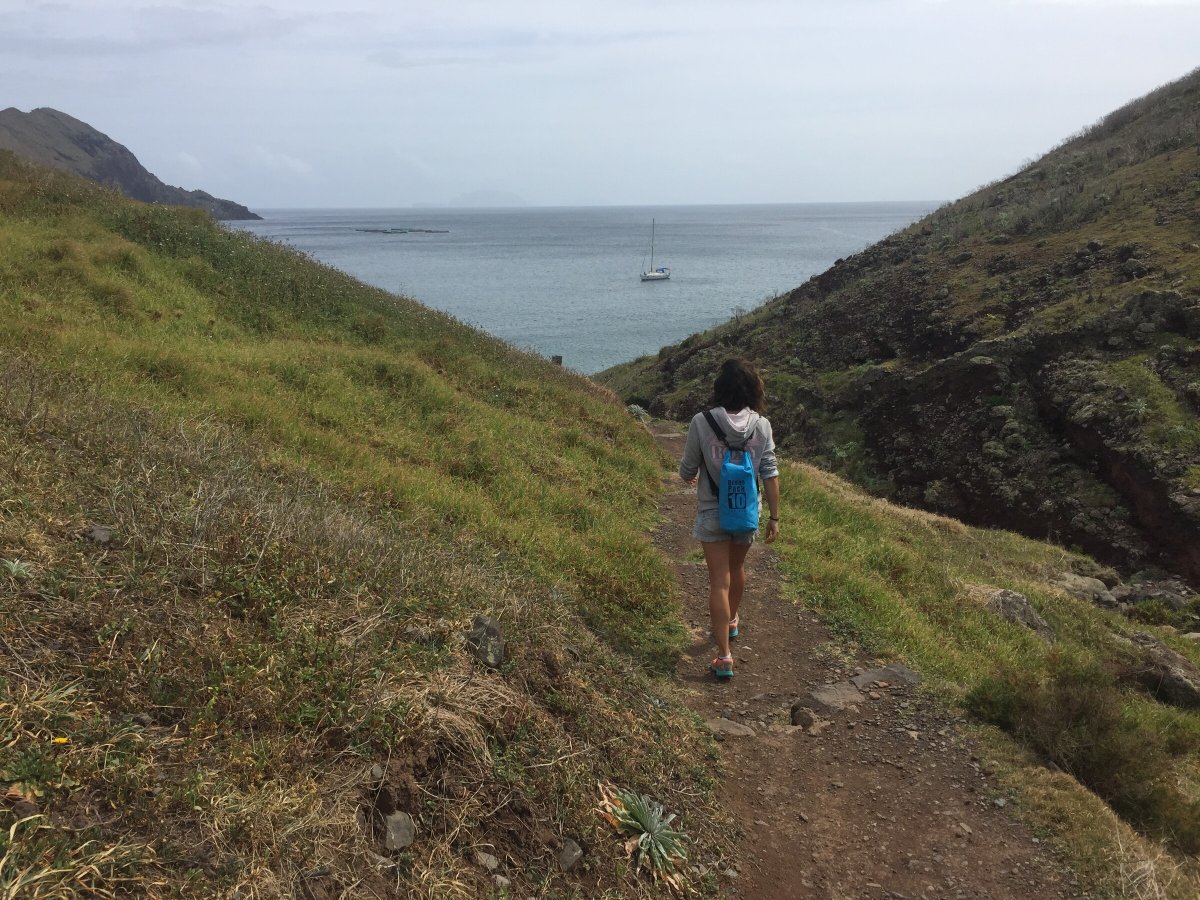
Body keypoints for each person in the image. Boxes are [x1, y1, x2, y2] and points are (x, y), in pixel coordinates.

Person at [679, 358, 780, 680]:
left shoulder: (701, 421)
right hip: (747, 510)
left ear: (719, 388)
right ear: (754, 389)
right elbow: (770, 471)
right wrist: (775, 518)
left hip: (712, 510)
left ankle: (724, 657)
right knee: (737, 570)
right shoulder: (762, 425)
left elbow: (687, 469)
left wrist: (692, 476)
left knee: (718, 581)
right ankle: (732, 618)